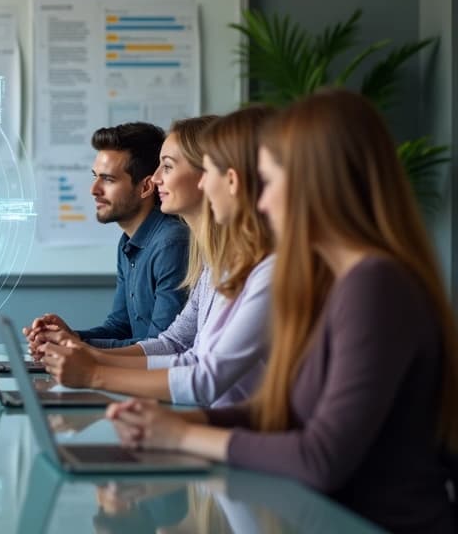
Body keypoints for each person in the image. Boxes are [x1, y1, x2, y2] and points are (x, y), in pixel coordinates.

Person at [107, 89, 458, 533]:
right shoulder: (345, 281)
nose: (263, 201)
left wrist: (181, 435)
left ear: (317, 185)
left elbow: (320, 457)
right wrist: (185, 419)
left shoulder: (376, 286)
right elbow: (288, 412)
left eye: (269, 183)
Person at [39, 109, 275, 407]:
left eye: (167, 167)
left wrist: (93, 371)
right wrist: (85, 351)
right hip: (209, 419)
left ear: (228, 179)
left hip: (226, 428)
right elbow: (175, 345)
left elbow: (205, 376)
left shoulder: (260, 269)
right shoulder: (215, 267)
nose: (156, 179)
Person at [25, 122, 190, 349]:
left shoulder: (171, 244)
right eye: (95, 176)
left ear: (145, 188)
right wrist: (70, 338)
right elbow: (120, 327)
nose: (94, 189)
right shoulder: (128, 243)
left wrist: (75, 347)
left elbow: (159, 347)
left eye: (108, 179)